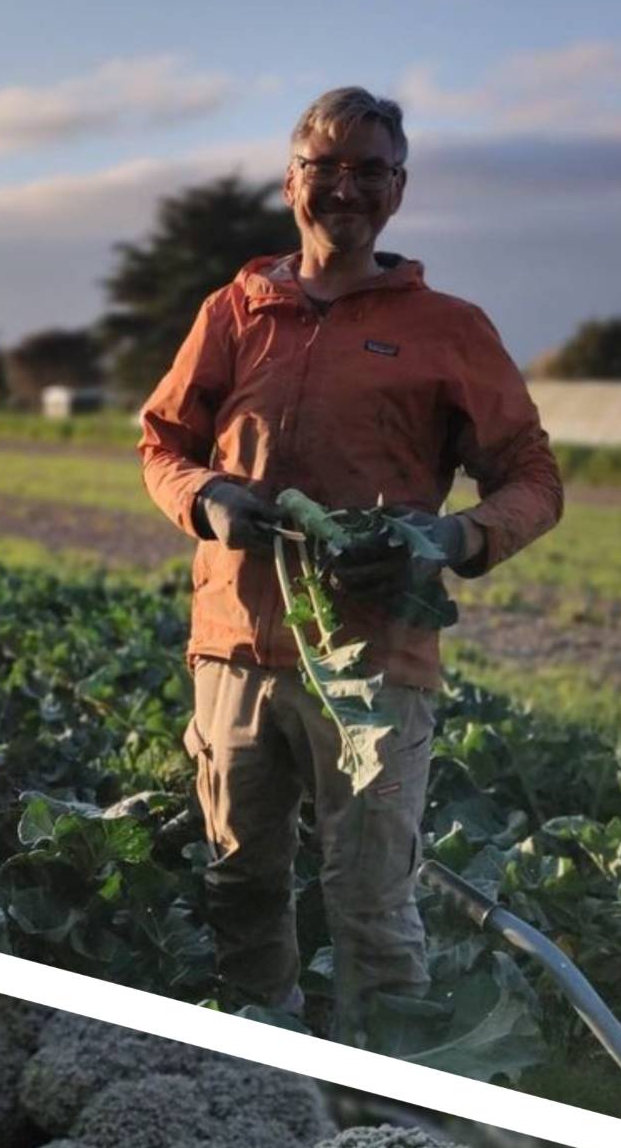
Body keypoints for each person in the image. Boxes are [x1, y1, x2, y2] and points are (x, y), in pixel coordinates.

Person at [138, 85, 562, 1029]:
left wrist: (448, 540)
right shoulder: (236, 310)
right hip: (236, 649)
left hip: (377, 660)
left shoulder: (448, 328)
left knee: (371, 902)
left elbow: (533, 478)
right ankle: (270, 1048)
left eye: (369, 171)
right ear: (292, 182)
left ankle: (387, 1088)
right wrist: (207, 500)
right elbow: (162, 443)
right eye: (325, 169)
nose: (345, 190)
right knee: (240, 880)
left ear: (398, 192)